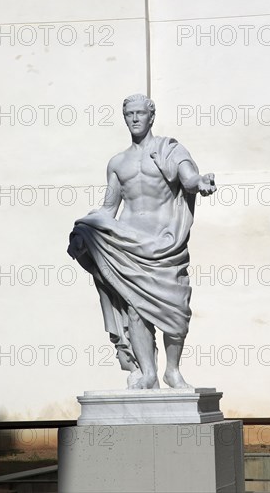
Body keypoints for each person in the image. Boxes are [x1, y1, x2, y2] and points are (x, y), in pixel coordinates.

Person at [68, 94, 215, 389]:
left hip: (165, 243)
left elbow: (188, 179)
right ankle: (148, 372)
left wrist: (200, 183)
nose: (134, 119)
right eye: (129, 114)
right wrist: (86, 231)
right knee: (135, 308)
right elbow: (110, 208)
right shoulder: (117, 163)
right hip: (128, 243)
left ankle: (172, 370)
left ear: (151, 117)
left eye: (140, 114)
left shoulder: (169, 149)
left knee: (177, 309)